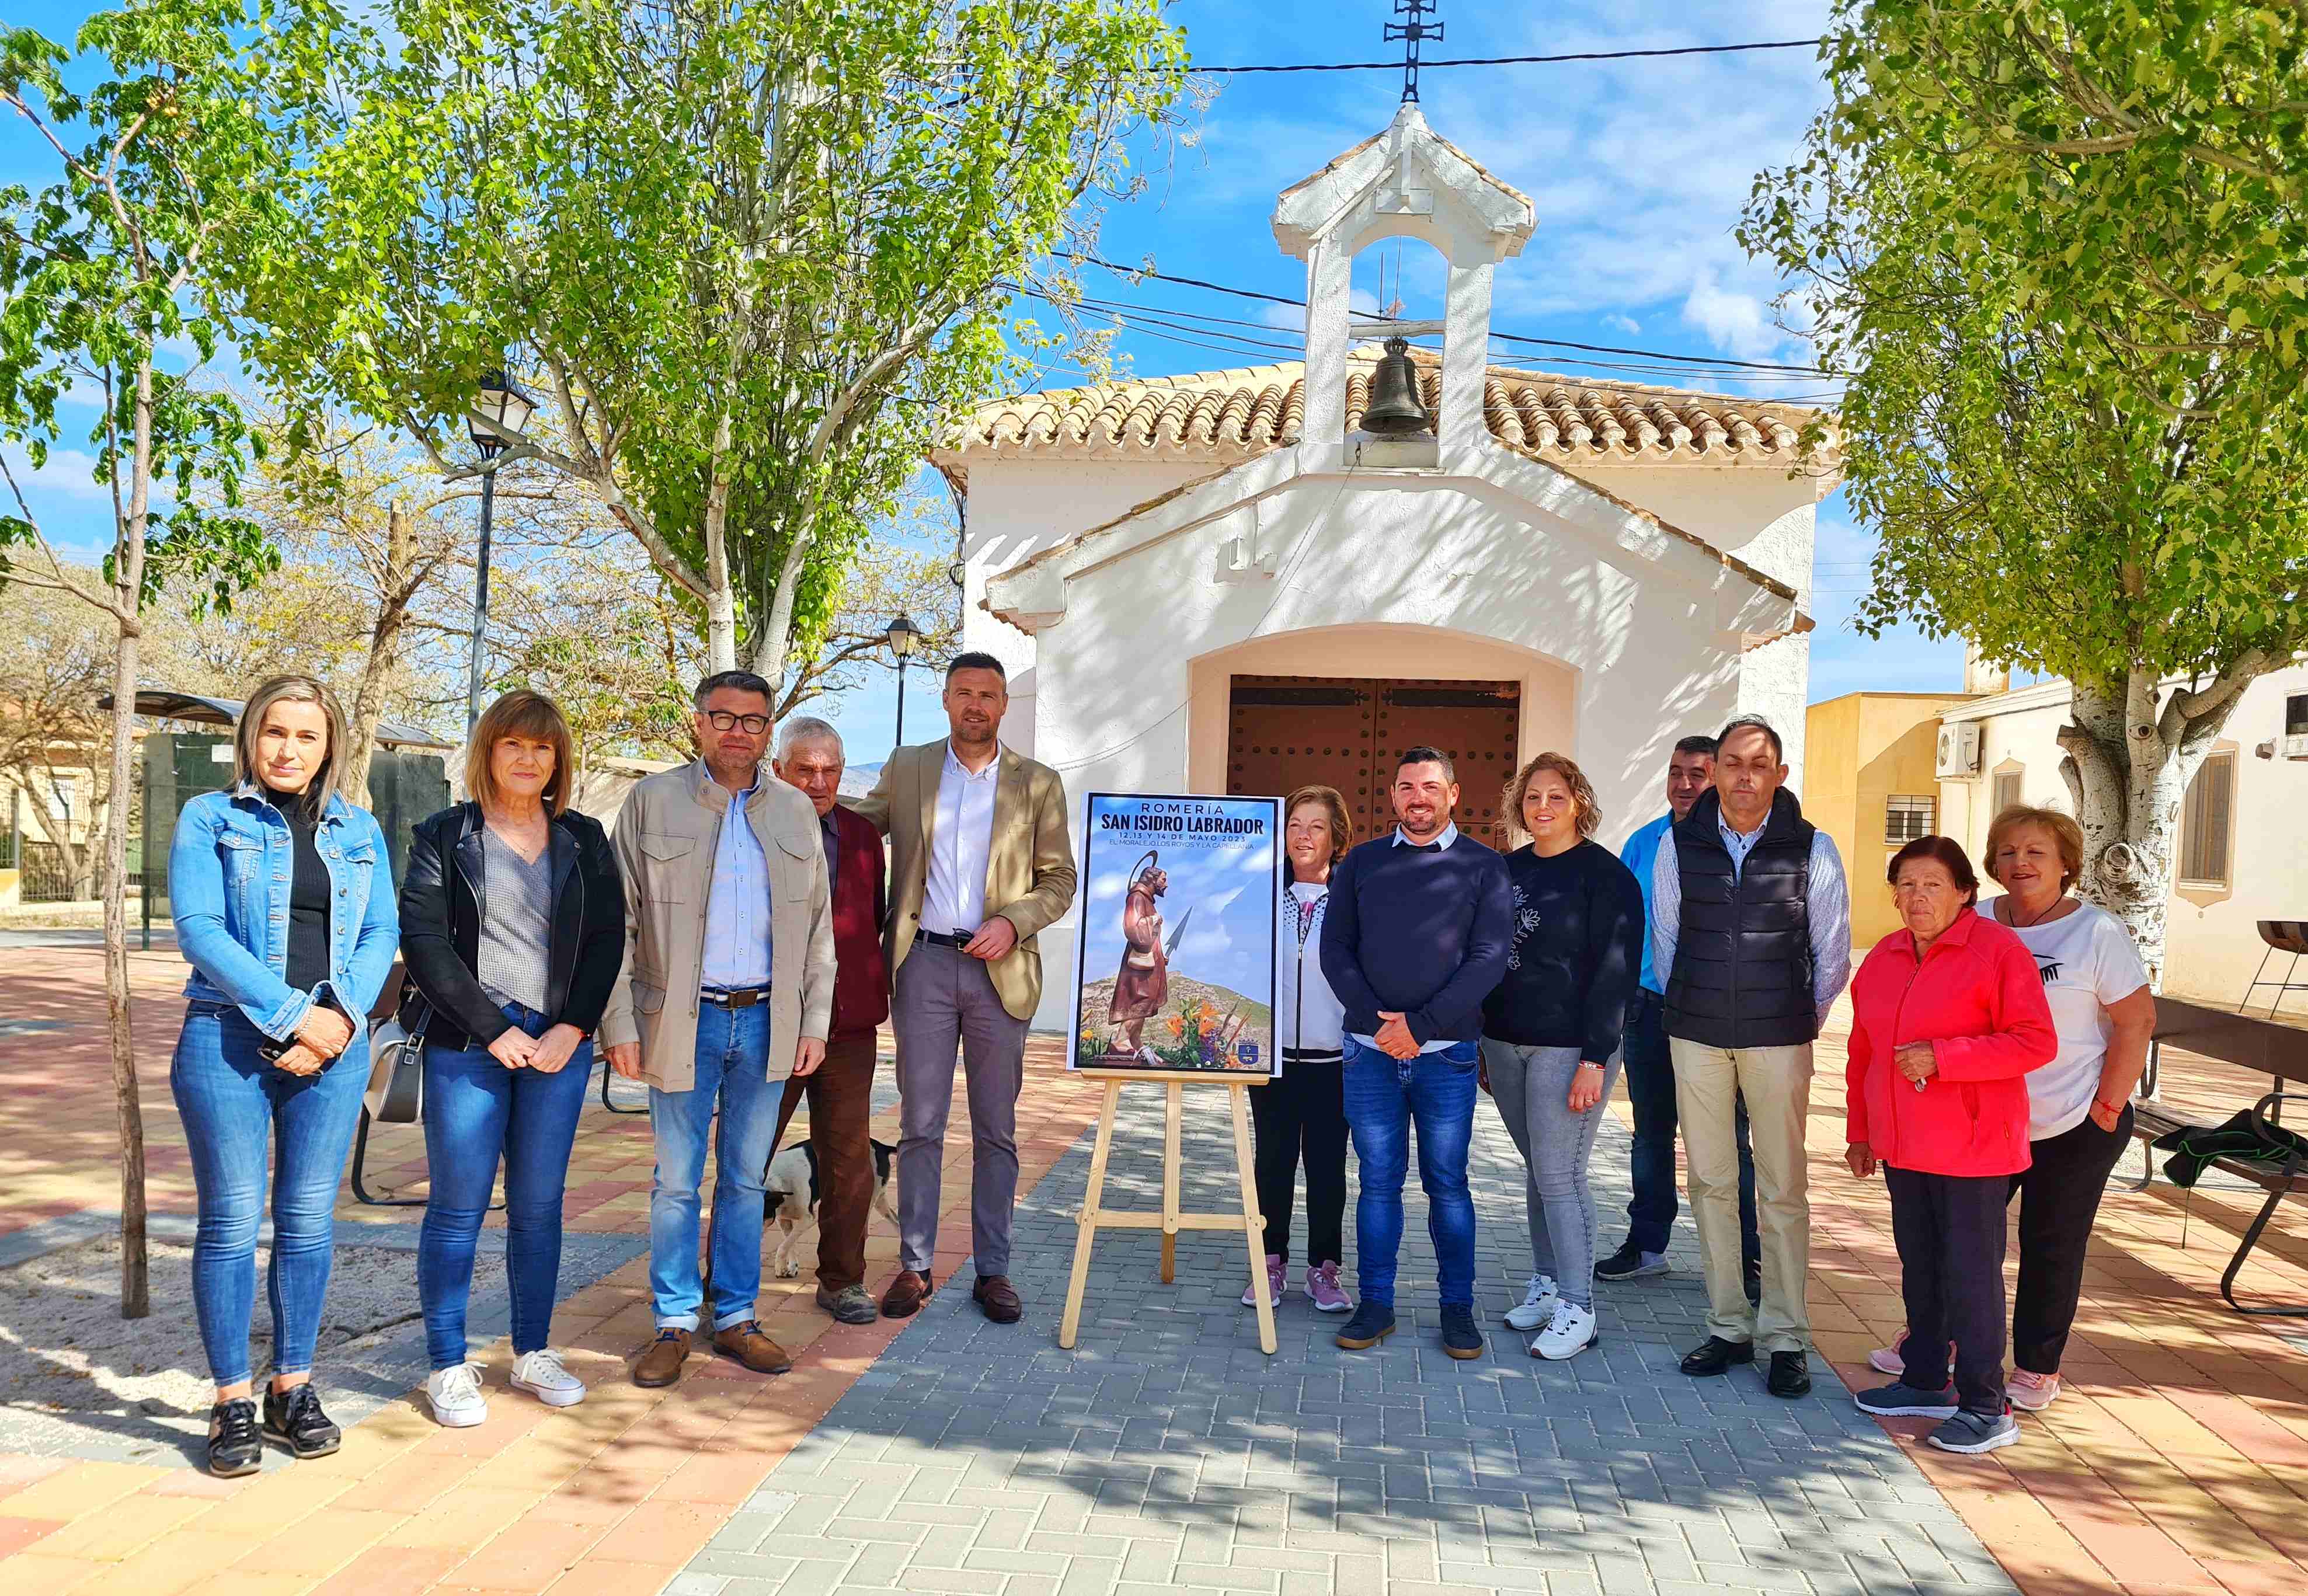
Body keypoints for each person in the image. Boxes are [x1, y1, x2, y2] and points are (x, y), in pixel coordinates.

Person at [168, 675, 398, 1476]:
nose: (288, 749)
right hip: (226, 1038)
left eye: (306, 735)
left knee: (306, 1221)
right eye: (274, 731)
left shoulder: (359, 828)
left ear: (329, 743)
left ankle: (293, 1385)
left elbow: (380, 929)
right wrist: (294, 1015)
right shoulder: (209, 817)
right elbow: (199, 928)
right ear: (249, 738)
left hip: (335, 1048)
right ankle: (232, 1397)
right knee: (231, 1222)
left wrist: (336, 1019)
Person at [1868, 806, 2153, 1412]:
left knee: (2050, 1244)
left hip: (2069, 1118)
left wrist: (2106, 1105)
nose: (2018, 863)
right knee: (1953, 1242)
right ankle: (1933, 1345)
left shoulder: (2094, 931)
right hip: (1981, 1119)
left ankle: (2034, 1365)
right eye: (2005, 852)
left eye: (2035, 852)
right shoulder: (1973, 921)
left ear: (2065, 864)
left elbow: (2135, 1022)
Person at [601, 671, 835, 1387]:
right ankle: (673, 1321)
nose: (738, 731)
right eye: (723, 717)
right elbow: (619, 923)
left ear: (770, 730)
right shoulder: (651, 802)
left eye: (754, 721)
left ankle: (735, 1317)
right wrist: (618, 1021)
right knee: (675, 1180)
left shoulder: (796, 813)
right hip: (680, 1021)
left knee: (742, 1179)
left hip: (767, 1021)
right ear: (698, 722)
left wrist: (814, 1021)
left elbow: (820, 933)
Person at [400, 690, 625, 1425]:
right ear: (488, 752)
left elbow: (604, 941)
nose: (528, 759)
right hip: (470, 1042)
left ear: (558, 760)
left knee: (538, 1206)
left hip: (556, 1043)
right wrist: (492, 1027)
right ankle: (446, 1364)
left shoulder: (585, 838)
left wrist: (574, 1026)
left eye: (542, 747)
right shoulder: (444, 834)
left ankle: (531, 1351)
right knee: (459, 1207)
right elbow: (426, 942)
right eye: (513, 745)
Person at [845, 652, 1075, 1324]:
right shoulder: (910, 766)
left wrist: (1012, 920)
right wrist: (799, 805)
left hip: (998, 971)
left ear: (1004, 706)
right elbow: (859, 828)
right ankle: (914, 1265)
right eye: (964, 693)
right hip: (921, 965)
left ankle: (993, 1270)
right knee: (919, 1125)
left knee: (996, 1131)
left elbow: (1058, 880)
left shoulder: (1037, 783)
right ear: (944, 699)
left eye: (989, 695)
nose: (976, 705)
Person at [1651, 714, 1851, 1399]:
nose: (1742, 776)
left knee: (1781, 1188)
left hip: (1778, 1038)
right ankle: (1728, 1325)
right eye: (1731, 763)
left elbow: (1831, 953)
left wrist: (1799, 1021)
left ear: (1779, 774)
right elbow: (1666, 940)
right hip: (1697, 1035)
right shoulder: (1679, 846)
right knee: (1708, 1181)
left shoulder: (1812, 849)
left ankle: (1786, 1336)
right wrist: (1690, 1011)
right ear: (1716, 771)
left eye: (1757, 764)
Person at [1846, 837, 2056, 1455]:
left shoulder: (1996, 951)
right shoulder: (1883, 956)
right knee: (1921, 1269)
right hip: (1904, 1147)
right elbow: (1862, 1052)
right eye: (1906, 885)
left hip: (1973, 1148)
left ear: (1964, 892)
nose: (1917, 897)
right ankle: (1922, 1379)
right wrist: (1861, 1130)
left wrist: (1943, 1057)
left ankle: (1985, 1406)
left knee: (1970, 1277)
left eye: (1932, 884)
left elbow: (2033, 1041)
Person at [1321, 747, 1513, 1360]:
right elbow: (1336, 950)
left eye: (1429, 786)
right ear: (1394, 795)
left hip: (1447, 1056)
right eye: (1406, 787)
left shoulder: (1484, 866)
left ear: (1453, 794)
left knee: (1447, 1185)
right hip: (1369, 1054)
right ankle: (1374, 1304)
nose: (1417, 797)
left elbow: (1488, 958)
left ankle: (1456, 1311)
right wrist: (1384, 1030)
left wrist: (1423, 1024)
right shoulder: (1361, 863)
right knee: (1376, 1183)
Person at [1480, 753, 1644, 1360]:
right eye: (1531, 797)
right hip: (1504, 1042)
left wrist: (1595, 1058)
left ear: (1578, 801)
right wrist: (1479, 1039)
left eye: (1555, 796)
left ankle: (1579, 1308)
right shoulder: (1505, 870)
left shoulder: (1605, 877)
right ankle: (1548, 1286)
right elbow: (1487, 956)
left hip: (1570, 1047)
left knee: (1559, 1174)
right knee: (1538, 1170)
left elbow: (1614, 971)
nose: (1542, 807)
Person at [1602, 734, 1762, 1294]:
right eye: (1676, 772)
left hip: (1717, 1015)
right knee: (1650, 1136)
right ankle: (1646, 1246)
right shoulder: (1644, 843)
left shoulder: (1739, 844)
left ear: (1718, 777)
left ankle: (1745, 1260)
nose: (1685, 783)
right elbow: (1620, 929)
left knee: (1725, 1140)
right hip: (1648, 1009)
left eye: (1698, 773)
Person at [769, 716, 891, 1326]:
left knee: (849, 1159)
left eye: (830, 770)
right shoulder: (751, 826)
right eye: (805, 768)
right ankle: (724, 1285)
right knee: (747, 1157)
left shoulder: (864, 837)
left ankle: (842, 1280)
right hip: (768, 1025)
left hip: (846, 1028)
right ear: (778, 770)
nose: (818, 781)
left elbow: (868, 920)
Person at [1242, 784, 1355, 1314]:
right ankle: (1269, 1262)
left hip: (1335, 1060)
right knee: (1273, 1162)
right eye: (1294, 825)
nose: (1303, 835)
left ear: (1336, 837)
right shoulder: (1261, 897)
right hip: (1273, 1061)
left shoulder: (1356, 900)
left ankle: (1324, 1269)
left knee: (1329, 1167)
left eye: (1316, 826)